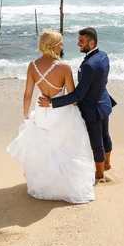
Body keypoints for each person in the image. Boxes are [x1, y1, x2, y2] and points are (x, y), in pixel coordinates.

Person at [6, 30, 95, 204]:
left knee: (45, 149)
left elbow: (27, 94)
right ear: (54, 45)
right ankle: (67, 188)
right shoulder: (64, 68)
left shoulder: (32, 66)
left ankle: (45, 187)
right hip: (61, 113)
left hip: (41, 113)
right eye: (60, 43)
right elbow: (73, 97)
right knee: (67, 148)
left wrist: (26, 116)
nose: (62, 46)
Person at [38, 27, 116, 181]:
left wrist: (52, 103)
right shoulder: (103, 56)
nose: (78, 44)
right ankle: (107, 163)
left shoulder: (88, 65)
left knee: (96, 141)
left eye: (82, 41)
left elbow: (78, 94)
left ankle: (99, 174)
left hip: (92, 108)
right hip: (104, 101)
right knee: (105, 135)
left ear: (91, 43)